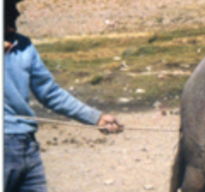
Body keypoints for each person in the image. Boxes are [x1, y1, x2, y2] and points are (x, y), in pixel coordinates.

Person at [4, 0, 124, 191]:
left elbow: (50, 93)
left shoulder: (24, 46)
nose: (17, 14)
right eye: (9, 8)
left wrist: (95, 118)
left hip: (27, 145)